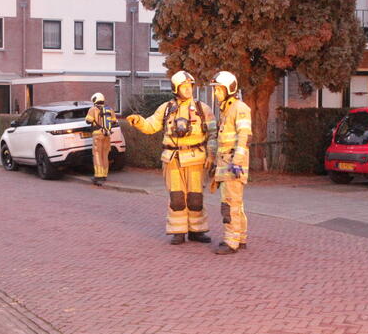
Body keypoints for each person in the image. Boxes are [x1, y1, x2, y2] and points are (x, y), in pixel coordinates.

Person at [127, 71, 217, 245]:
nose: (188, 90)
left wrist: (211, 155)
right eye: (184, 87)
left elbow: (213, 133)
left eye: (190, 86)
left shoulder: (203, 109)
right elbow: (151, 125)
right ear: (176, 89)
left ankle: (197, 231)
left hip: (196, 160)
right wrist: (138, 121)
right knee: (177, 198)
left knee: (195, 198)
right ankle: (178, 231)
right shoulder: (166, 108)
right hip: (172, 160)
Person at [209, 71, 252, 255]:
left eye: (219, 89)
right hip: (226, 164)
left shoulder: (239, 108)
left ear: (229, 89)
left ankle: (231, 242)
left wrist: (237, 162)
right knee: (236, 204)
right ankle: (240, 238)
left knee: (229, 205)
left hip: (233, 166)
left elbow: (244, 136)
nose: (216, 93)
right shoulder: (227, 109)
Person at [85, 93, 118, 186]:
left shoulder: (93, 109)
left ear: (95, 100)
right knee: (105, 155)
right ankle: (104, 174)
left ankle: (98, 176)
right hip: (107, 135)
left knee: (97, 155)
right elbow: (114, 121)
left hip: (97, 135)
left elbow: (88, 121)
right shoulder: (110, 109)